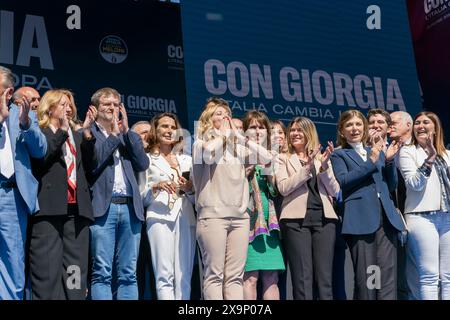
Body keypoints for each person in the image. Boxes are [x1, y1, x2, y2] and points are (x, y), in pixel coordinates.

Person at [192, 97, 272, 300]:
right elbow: (210, 154)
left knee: (235, 277)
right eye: (219, 114)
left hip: (240, 217)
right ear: (209, 120)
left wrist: (241, 138)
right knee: (214, 275)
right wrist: (226, 135)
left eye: (227, 114)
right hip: (213, 217)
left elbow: (268, 159)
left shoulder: (237, 148)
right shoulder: (199, 143)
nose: (225, 117)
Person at [330, 109, 406, 300]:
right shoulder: (340, 155)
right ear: (341, 131)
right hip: (361, 220)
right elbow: (344, 181)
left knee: (387, 278)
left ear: (364, 127)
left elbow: (391, 185)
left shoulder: (377, 151)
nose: (354, 129)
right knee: (368, 278)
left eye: (358, 124)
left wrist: (388, 161)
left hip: (386, 219)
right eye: (349, 125)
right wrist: (372, 159)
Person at [29, 89, 96, 299]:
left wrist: (86, 135)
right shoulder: (40, 132)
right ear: (49, 108)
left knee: (74, 274)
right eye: (63, 104)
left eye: (70, 106)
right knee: (47, 273)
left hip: (76, 213)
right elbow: (42, 159)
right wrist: (62, 133)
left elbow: (91, 167)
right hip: (48, 212)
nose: (68, 109)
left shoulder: (76, 135)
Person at [88, 87, 149, 300]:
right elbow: (92, 164)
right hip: (104, 208)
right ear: (95, 109)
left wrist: (126, 132)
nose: (112, 108)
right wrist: (113, 136)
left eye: (116, 104)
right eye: (107, 104)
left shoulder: (128, 136)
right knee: (102, 272)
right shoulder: (87, 133)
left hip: (131, 209)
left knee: (128, 274)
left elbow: (142, 163)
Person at [276, 117, 340, 300]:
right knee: (302, 279)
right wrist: (306, 169)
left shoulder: (322, 158)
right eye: (292, 130)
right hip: (295, 222)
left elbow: (335, 191)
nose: (295, 133)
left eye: (300, 130)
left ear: (309, 133)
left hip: (325, 220)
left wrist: (324, 167)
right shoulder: (282, 158)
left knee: (324, 279)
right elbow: (283, 187)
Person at [0, 65, 47, 300]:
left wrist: (27, 124)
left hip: (11, 197)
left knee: (13, 259)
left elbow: (40, 150)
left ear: (8, 93)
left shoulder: (25, 117)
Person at [139, 113, 196, 299]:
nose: (169, 131)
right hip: (159, 217)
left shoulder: (187, 160)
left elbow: (198, 198)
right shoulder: (146, 159)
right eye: (164, 126)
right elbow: (140, 198)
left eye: (172, 127)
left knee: (184, 274)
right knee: (164, 275)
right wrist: (155, 187)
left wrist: (189, 188)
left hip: (186, 217)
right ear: (156, 130)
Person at [399, 111, 450, 300]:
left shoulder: (448, 155)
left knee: (448, 276)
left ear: (435, 128)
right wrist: (429, 159)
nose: (420, 125)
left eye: (426, 122)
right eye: (417, 122)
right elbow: (414, 183)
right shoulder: (407, 152)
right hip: (421, 217)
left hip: (447, 217)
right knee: (429, 275)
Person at [242, 111, 285, 300]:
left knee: (271, 276)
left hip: (270, 222)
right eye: (253, 127)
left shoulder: (274, 154)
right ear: (244, 131)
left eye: (261, 127)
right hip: (246, 220)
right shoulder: (237, 152)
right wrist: (245, 171)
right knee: (250, 278)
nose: (258, 131)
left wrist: (268, 169)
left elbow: (276, 189)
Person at [388, 110, 418, 300]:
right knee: (398, 272)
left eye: (394, 122)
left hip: (418, 215)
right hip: (394, 218)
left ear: (409, 125)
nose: (390, 125)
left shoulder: (420, 150)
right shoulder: (384, 149)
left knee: (420, 269)